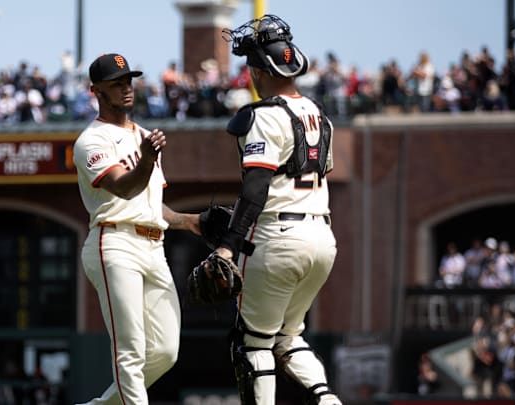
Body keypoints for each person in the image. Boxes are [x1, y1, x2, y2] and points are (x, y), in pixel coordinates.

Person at [214, 15, 342, 405]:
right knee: (288, 336)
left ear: (257, 70)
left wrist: (228, 245)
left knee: (252, 341)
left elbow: (255, 188)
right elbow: (325, 172)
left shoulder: (265, 115)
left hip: (278, 236)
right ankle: (327, 399)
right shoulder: (321, 116)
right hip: (322, 238)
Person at [72, 52, 201, 405]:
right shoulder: (91, 141)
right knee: (130, 350)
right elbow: (124, 188)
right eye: (116, 84)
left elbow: (147, 203)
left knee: (165, 350)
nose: (126, 88)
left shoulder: (143, 135)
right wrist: (146, 159)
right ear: (97, 91)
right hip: (114, 244)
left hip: (152, 245)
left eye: (128, 81)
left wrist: (190, 221)